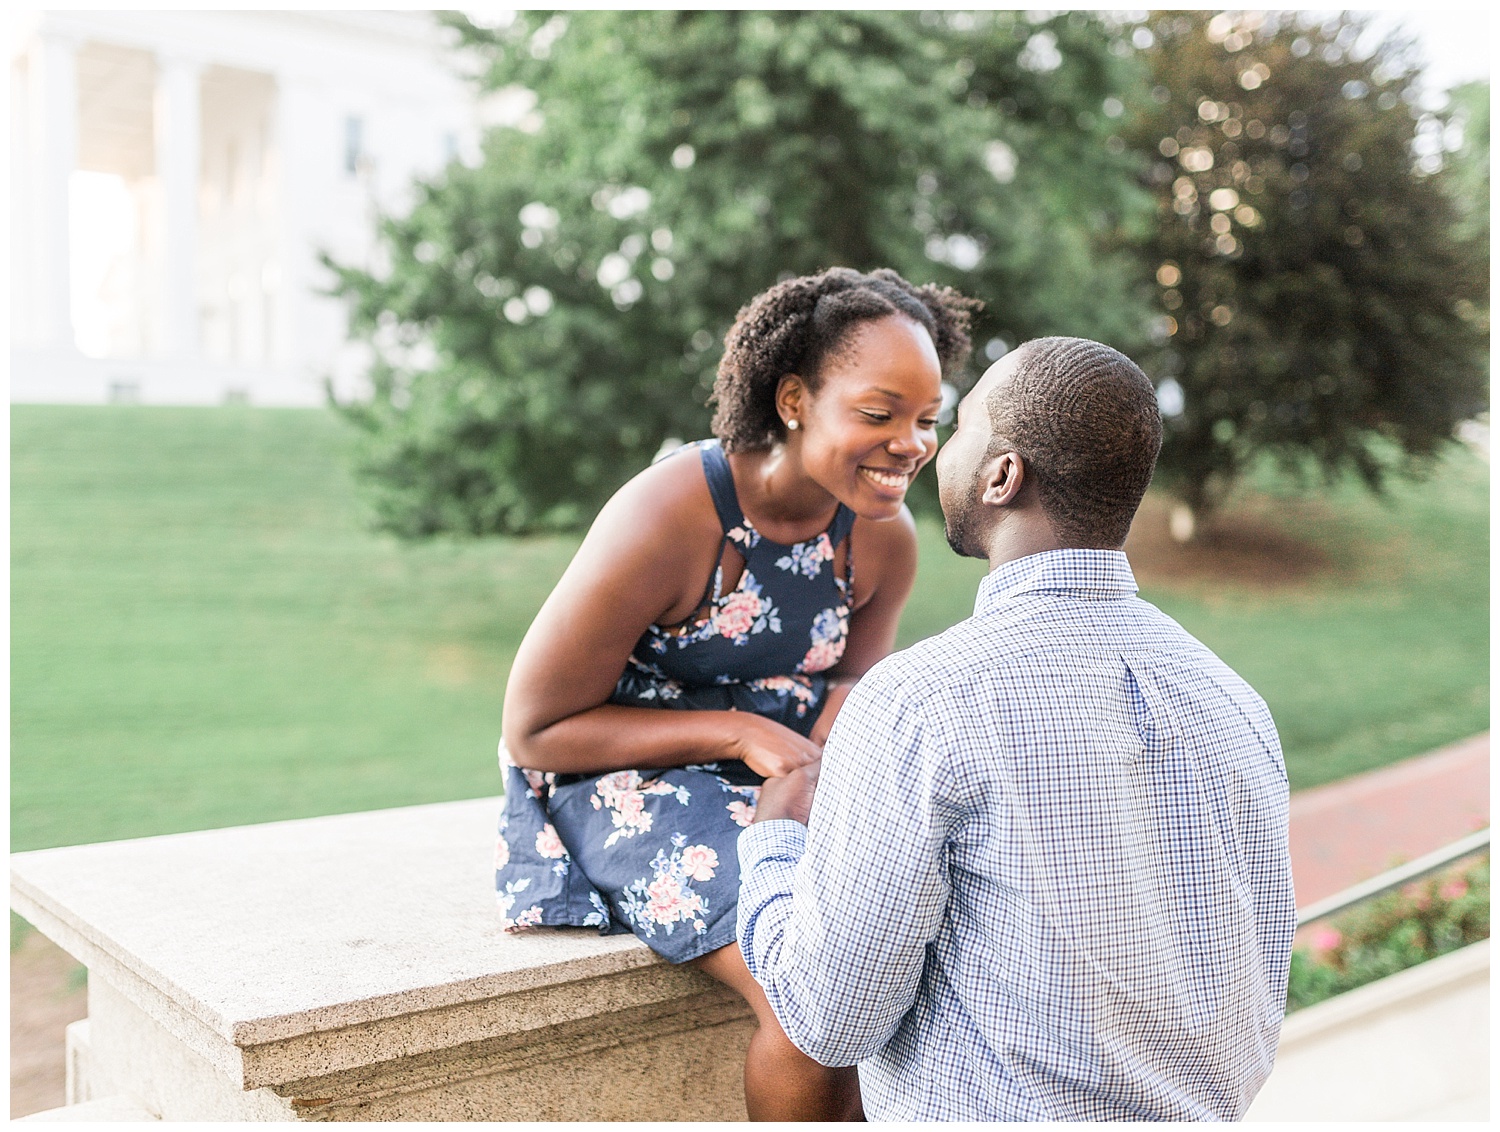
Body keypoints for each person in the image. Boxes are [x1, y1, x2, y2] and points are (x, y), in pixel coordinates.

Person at [738, 336, 1297, 1121]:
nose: (937, 451)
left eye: (962, 426)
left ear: (1003, 475)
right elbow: (1263, 979)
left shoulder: (919, 702)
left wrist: (774, 844)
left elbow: (830, 1020)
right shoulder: (1232, 700)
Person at [495, 267, 982, 1119]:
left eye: (926, 420)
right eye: (879, 414)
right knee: (804, 1001)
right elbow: (537, 728)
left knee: (909, 965)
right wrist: (735, 734)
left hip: (789, 767)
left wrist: (826, 756)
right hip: (626, 774)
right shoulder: (670, 515)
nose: (910, 443)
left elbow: (853, 677)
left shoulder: (882, 537)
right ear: (794, 399)